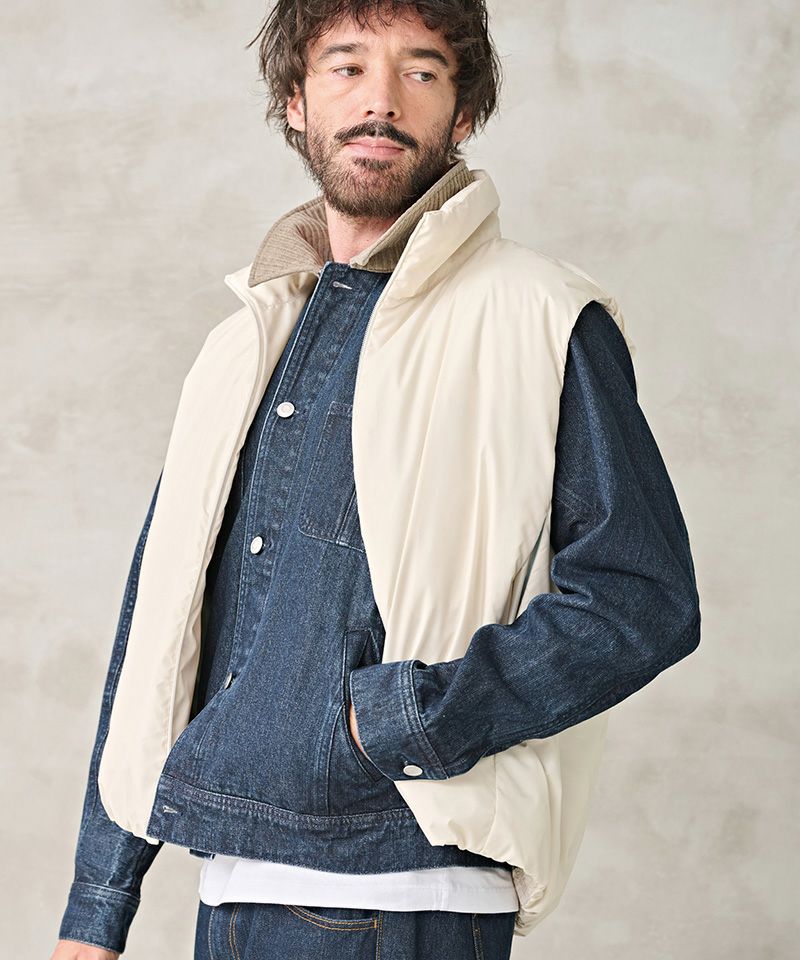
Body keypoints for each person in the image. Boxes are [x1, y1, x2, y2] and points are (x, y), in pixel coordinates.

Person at [52, 2, 702, 958]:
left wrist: (404, 721)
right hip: (229, 894)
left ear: (464, 112)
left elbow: (643, 598)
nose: (381, 101)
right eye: (347, 67)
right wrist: (97, 907)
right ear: (295, 100)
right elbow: (158, 623)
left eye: (421, 71)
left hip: (402, 897)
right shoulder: (243, 343)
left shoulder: (541, 316)